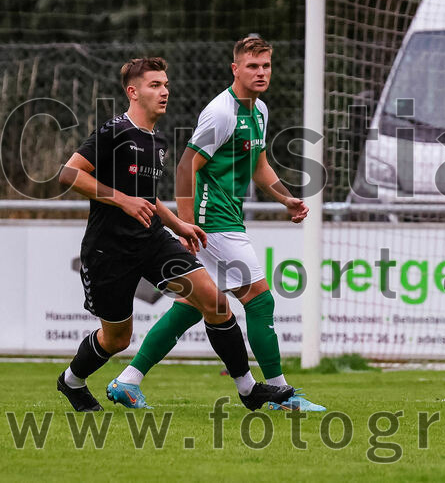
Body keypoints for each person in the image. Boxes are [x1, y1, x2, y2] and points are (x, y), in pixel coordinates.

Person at [57, 57, 294, 412]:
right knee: (117, 338)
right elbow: (68, 174)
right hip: (110, 250)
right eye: (155, 85)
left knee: (213, 301)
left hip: (153, 242)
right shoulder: (114, 131)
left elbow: (148, 198)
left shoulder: (159, 141)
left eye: (166, 84)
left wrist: (177, 224)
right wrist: (122, 200)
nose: (164, 91)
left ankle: (248, 390)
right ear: (133, 92)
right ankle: (71, 381)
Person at [107, 37, 324, 411]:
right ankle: (279, 394)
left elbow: (258, 164)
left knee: (191, 306)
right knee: (259, 300)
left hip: (226, 218)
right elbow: (185, 166)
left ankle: (128, 380)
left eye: (266, 66)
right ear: (235, 68)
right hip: (214, 221)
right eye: (252, 66)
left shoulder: (259, 111)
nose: (260, 73)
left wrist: (285, 197)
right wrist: (186, 225)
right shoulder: (221, 112)